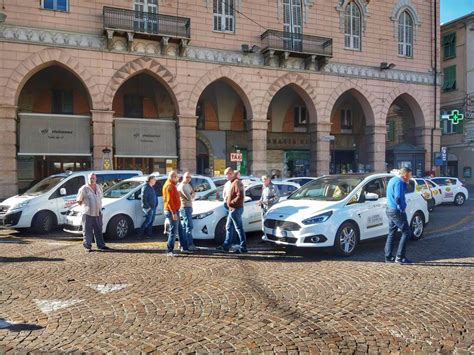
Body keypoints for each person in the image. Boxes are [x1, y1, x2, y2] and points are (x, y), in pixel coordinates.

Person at [385, 167, 413, 264]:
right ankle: (400, 257)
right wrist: (402, 208)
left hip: (389, 209)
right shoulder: (399, 182)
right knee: (407, 232)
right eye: (409, 175)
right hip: (396, 211)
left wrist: (406, 183)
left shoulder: (393, 179)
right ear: (405, 175)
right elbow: (398, 197)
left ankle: (388, 257)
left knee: (391, 232)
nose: (410, 177)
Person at [77, 173, 110, 252]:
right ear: (88, 179)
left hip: (98, 212)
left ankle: (101, 245)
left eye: (93, 178)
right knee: (87, 230)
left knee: (98, 230)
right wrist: (85, 206)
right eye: (90, 178)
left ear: (96, 179)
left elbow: (100, 197)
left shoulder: (99, 187)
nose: (92, 180)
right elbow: (79, 201)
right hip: (88, 213)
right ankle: (87, 246)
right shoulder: (84, 188)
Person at [217, 168, 247, 253]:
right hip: (232, 209)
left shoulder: (237, 182)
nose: (226, 176)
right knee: (229, 227)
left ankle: (243, 247)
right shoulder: (231, 182)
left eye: (228, 174)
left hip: (236, 209)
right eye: (226, 174)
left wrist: (231, 202)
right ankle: (226, 245)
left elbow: (240, 196)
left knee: (239, 228)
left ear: (231, 174)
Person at [163, 170, 190, 256]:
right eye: (176, 177)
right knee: (173, 231)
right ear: (172, 177)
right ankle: (169, 250)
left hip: (174, 210)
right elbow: (169, 201)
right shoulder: (169, 186)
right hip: (172, 211)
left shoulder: (171, 185)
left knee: (180, 229)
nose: (177, 179)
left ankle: (184, 247)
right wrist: (174, 213)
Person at [178, 171, 197, 251]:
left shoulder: (188, 185)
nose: (189, 179)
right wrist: (192, 194)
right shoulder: (182, 186)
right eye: (187, 177)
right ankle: (189, 244)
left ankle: (183, 243)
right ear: (183, 177)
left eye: (190, 177)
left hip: (189, 207)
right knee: (188, 226)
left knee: (186, 226)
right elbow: (190, 197)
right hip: (185, 207)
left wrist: (192, 194)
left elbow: (193, 194)